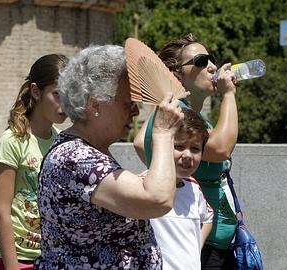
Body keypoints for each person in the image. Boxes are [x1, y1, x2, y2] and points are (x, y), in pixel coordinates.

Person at [35, 45, 185, 269]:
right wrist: (163, 133)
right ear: (95, 105)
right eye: (128, 103)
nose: (135, 112)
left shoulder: (85, 152)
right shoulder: (75, 158)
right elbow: (158, 199)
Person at [134, 33, 239, 270]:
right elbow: (221, 148)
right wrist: (229, 95)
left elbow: (140, 142)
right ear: (176, 74)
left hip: (207, 238)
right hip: (197, 243)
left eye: (211, 60)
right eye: (201, 62)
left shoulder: (176, 111)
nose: (212, 67)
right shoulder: (177, 111)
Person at [0, 53, 68, 270]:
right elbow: (0, 210)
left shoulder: (60, 140)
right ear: (35, 91)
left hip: (49, 256)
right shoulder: (12, 141)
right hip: (15, 257)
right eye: (58, 94)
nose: (65, 104)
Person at [144, 106, 214, 270]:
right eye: (179, 146)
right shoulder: (143, 184)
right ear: (159, 145)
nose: (188, 155)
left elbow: (208, 218)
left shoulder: (194, 187)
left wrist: (196, 247)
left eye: (195, 149)